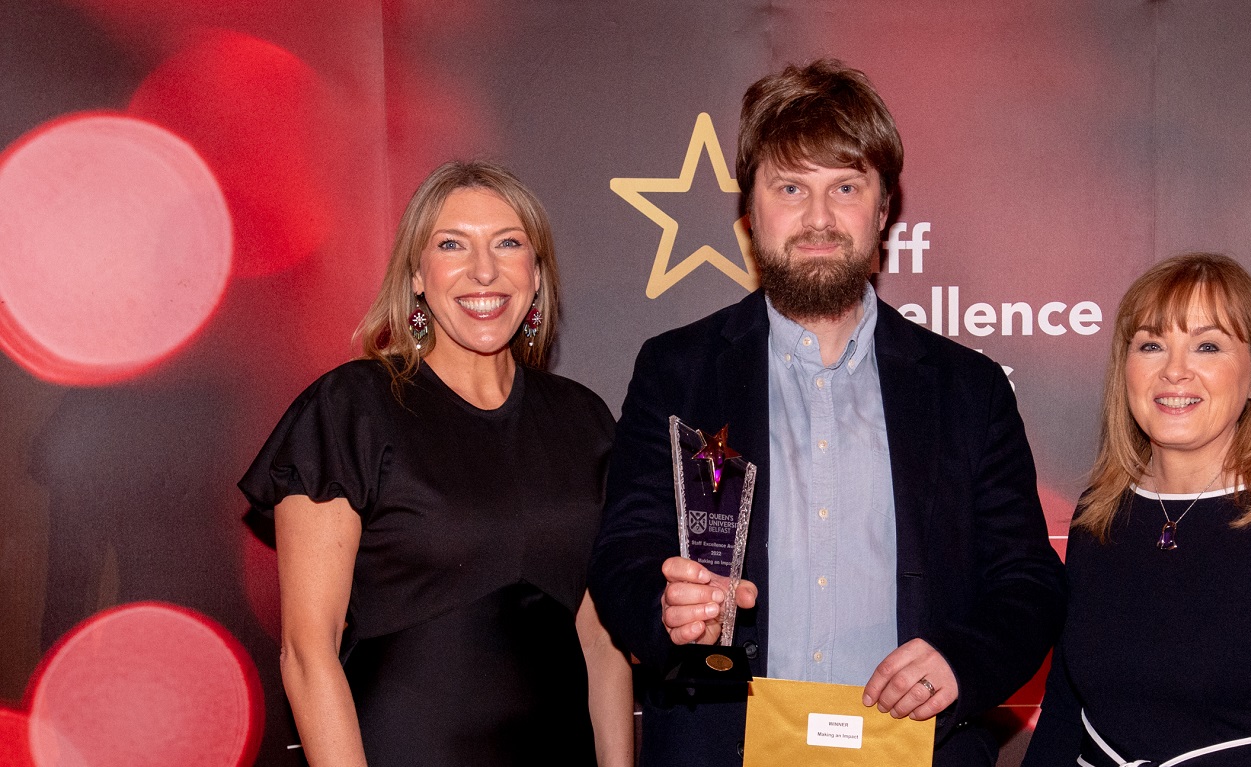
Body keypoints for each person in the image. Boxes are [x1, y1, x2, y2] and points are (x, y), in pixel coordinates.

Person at [588, 59, 1065, 767]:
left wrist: (960, 660)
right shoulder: (678, 370)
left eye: (845, 186)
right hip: (723, 747)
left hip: (918, 752)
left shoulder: (969, 389)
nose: (818, 218)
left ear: (883, 209)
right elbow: (622, 554)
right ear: (750, 213)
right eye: (790, 188)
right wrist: (666, 610)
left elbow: (1027, 582)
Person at [239, 161, 633, 767]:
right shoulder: (352, 409)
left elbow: (602, 643)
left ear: (535, 273)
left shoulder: (583, 421)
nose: (484, 270)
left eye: (508, 244)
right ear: (418, 275)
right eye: (452, 244)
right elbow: (306, 651)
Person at [1022, 253, 1251, 767]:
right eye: (1151, 345)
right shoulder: (1098, 515)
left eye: (1208, 346)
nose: (1175, 370)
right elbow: (1064, 715)